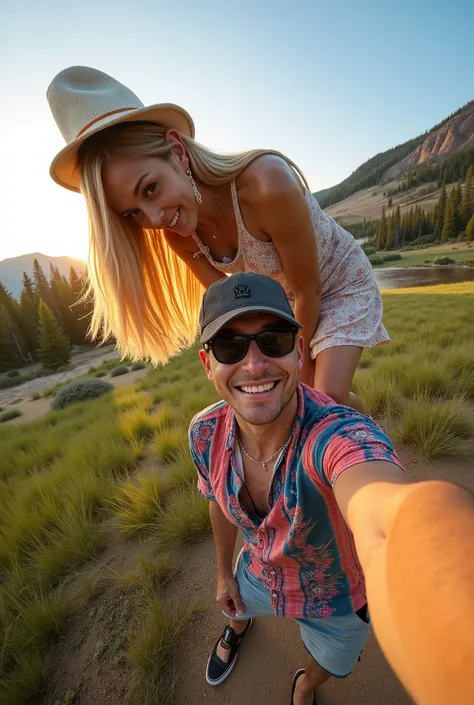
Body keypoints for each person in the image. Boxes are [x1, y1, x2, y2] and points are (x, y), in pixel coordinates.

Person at [189, 271, 474, 705]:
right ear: (208, 364)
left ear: (299, 352)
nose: (254, 364)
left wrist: (425, 531)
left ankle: (304, 685)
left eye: (274, 340)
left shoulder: (335, 436)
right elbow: (217, 502)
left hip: (335, 599)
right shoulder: (204, 434)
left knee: (332, 662)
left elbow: (384, 514)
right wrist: (225, 572)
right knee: (236, 602)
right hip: (258, 572)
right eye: (230, 346)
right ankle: (240, 624)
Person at [47, 65, 390, 411]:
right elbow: (234, 305)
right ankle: (364, 434)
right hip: (287, 302)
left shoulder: (267, 183)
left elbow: (309, 289)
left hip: (339, 285)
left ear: (177, 152)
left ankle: (365, 449)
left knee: (322, 399)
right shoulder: (179, 236)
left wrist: (293, 373)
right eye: (133, 213)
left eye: (150, 188)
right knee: (310, 402)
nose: (153, 219)